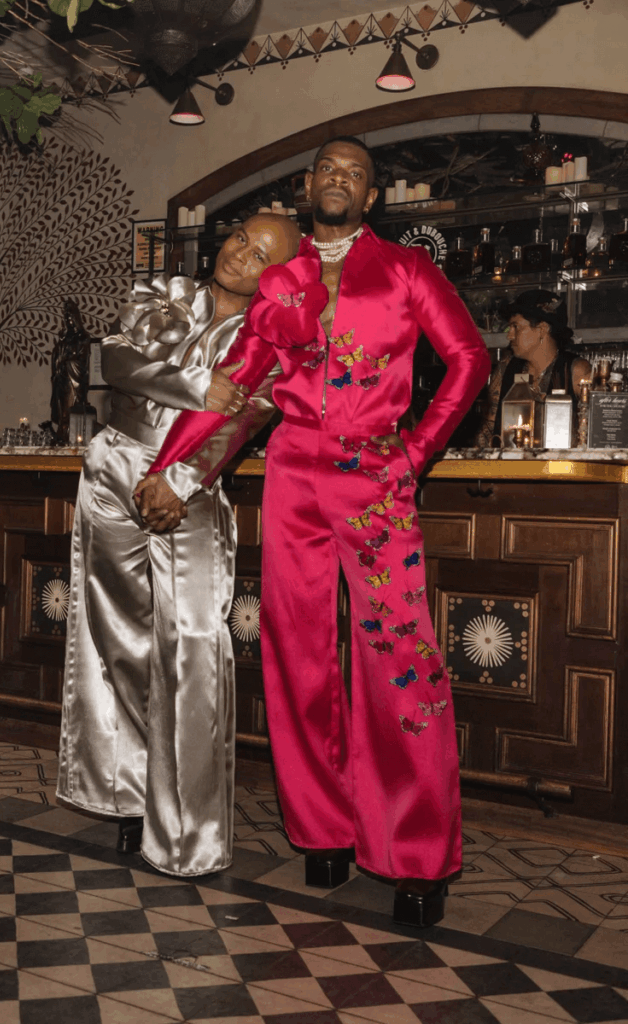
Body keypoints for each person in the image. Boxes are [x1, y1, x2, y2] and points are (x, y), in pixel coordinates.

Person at [137, 137, 490, 924]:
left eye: (353, 174)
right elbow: (235, 387)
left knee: (398, 656)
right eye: (326, 168)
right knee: (294, 652)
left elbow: (467, 358)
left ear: (370, 199)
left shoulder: (405, 270)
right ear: (308, 187)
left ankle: (416, 853)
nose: (337, 179)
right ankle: (322, 833)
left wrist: (418, 453)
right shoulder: (282, 281)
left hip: (375, 475)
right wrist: (168, 464)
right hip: (292, 471)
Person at [56, 213, 302, 878]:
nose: (240, 257)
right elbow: (116, 362)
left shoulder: (274, 339)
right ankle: (131, 794)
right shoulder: (170, 295)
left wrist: (182, 479)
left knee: (190, 646)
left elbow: (245, 417)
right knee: (115, 638)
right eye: (238, 240)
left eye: (260, 256)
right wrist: (193, 385)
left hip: (186, 487)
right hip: (112, 470)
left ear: (279, 277)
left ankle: (189, 833)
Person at [477, 289, 591, 447]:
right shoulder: (506, 369)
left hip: (561, 468)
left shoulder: (576, 371)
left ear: (542, 329)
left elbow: (597, 431)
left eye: (516, 327)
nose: (509, 335)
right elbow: (488, 428)